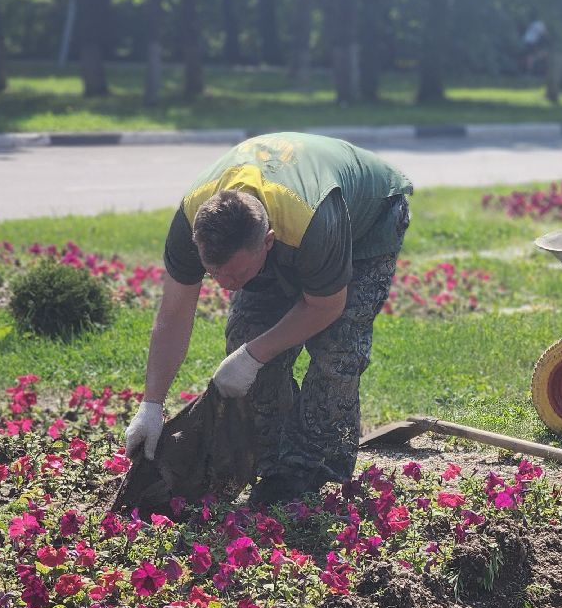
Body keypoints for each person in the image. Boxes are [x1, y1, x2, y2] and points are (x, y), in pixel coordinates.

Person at [124, 132, 412, 508]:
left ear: (269, 243)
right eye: (217, 276)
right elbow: (174, 314)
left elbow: (326, 306)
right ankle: (274, 464)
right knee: (245, 336)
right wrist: (152, 404)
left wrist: (253, 356)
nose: (227, 287)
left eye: (237, 277)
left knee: (336, 353)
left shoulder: (310, 220)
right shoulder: (193, 222)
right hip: (290, 226)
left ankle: (315, 472)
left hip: (367, 218)